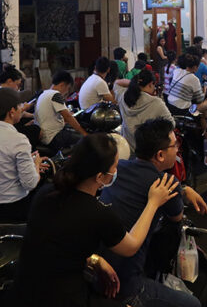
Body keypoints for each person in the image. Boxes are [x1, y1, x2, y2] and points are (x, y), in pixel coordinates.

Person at [14, 133, 178, 307]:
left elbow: (57, 244)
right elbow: (131, 246)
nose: (117, 171)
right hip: (62, 299)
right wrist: (153, 202)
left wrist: (95, 260)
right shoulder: (98, 214)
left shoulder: (46, 193)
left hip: (24, 289)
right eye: (115, 167)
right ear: (100, 177)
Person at [100, 119, 205, 307]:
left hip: (98, 271)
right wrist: (180, 190)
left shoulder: (119, 168)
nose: (177, 150)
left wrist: (184, 189)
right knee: (193, 304)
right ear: (160, 155)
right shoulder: (166, 182)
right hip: (126, 285)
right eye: (174, 145)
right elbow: (176, 218)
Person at [0, 88, 45, 221]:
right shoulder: (18, 140)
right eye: (20, 105)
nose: (22, 108)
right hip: (11, 207)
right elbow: (30, 183)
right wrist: (36, 164)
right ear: (12, 112)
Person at [114, 69, 174, 152]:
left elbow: (117, 82)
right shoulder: (156, 103)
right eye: (154, 85)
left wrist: (133, 84)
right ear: (150, 84)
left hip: (127, 147)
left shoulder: (123, 96)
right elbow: (171, 124)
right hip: (146, 151)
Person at [34, 70, 88, 152]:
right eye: (68, 88)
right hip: (54, 137)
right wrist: (84, 133)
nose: (67, 91)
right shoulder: (55, 95)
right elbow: (68, 117)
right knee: (86, 141)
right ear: (62, 85)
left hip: (45, 136)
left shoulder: (43, 94)